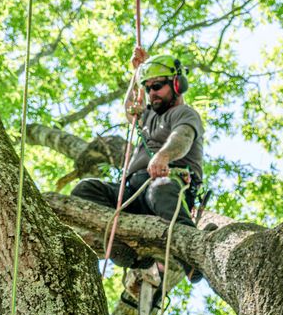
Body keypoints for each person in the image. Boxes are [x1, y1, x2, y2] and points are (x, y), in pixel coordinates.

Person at [71, 46, 204, 272]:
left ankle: (192, 257)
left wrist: (163, 156)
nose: (152, 93)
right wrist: (136, 74)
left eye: (157, 86)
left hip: (168, 188)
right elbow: (130, 108)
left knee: (160, 189)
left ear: (177, 84)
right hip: (133, 192)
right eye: (148, 88)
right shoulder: (149, 115)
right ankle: (127, 249)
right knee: (86, 190)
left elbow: (182, 137)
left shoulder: (185, 113)